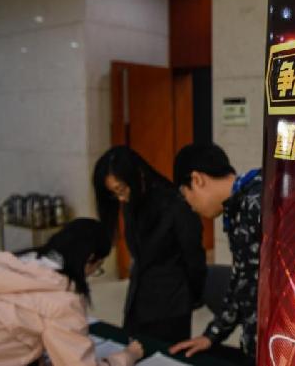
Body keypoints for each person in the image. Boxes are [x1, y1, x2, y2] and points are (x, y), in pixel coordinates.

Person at [0, 218, 144, 366]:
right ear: (89, 259)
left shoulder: (12, 262)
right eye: (98, 267)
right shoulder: (62, 301)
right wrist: (127, 356)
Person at [93, 146, 206, 344]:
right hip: (138, 300)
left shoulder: (176, 205)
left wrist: (191, 296)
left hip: (170, 305)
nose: (121, 198)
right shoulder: (131, 202)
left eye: (121, 189)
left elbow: (195, 260)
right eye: (114, 193)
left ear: (138, 175)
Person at [169, 143, 262, 362]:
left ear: (197, 180)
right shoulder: (237, 207)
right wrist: (212, 335)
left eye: (185, 195)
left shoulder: (260, 201)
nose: (191, 206)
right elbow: (244, 280)